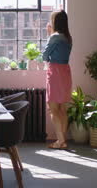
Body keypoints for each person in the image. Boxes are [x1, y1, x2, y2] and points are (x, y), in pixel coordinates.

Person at [43, 10, 72, 149]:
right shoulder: (68, 37)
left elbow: (45, 56)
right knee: (62, 109)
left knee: (53, 108)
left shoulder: (54, 37)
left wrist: (49, 34)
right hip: (65, 71)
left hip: (55, 72)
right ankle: (63, 140)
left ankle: (60, 141)